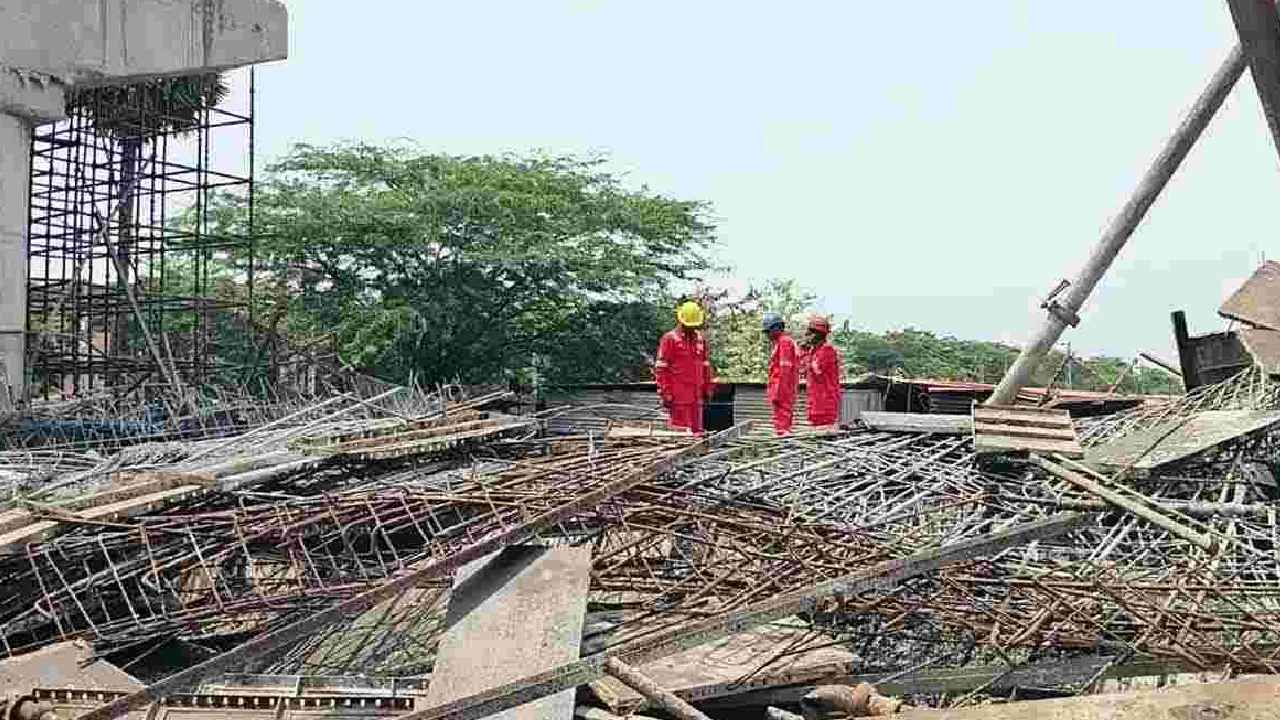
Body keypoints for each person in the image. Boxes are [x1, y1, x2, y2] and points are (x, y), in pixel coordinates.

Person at [654, 300, 715, 435]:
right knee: (680, 434)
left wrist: (708, 388)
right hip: (678, 398)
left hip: (696, 396)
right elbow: (661, 369)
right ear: (681, 321)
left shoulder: (700, 339)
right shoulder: (670, 339)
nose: (692, 328)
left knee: (697, 432)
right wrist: (665, 393)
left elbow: (706, 365)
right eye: (689, 325)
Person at [803, 315, 843, 430]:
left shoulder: (827, 350)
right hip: (815, 404)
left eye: (810, 333)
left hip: (825, 405)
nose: (807, 336)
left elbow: (817, 371)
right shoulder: (814, 351)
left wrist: (807, 356)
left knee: (824, 438)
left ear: (818, 334)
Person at [763, 312, 798, 436]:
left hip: (782, 388)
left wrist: (780, 391)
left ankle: (784, 437)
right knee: (779, 417)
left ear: (776, 328)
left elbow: (785, 369)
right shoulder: (780, 343)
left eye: (768, 331)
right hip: (778, 386)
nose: (767, 335)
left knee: (783, 417)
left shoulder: (784, 342)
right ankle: (781, 434)